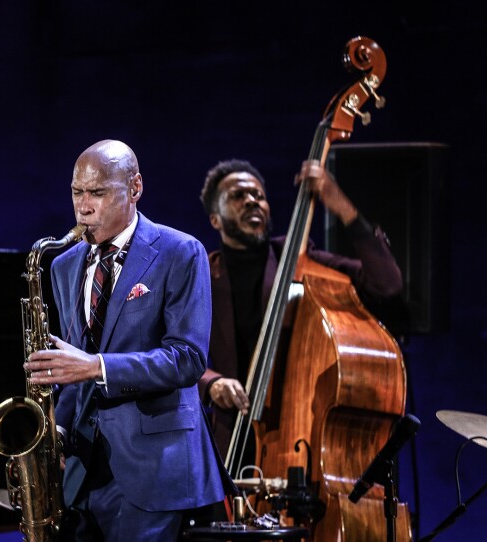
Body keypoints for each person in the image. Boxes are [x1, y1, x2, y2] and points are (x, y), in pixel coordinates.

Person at [25, 140, 235, 541]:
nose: (84, 206)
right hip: (83, 475)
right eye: (76, 193)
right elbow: (74, 361)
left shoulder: (181, 252)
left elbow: (187, 358)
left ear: (135, 188)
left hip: (155, 472)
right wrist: (58, 434)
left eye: (98, 193)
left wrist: (97, 366)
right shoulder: (64, 265)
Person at [197, 158, 403, 463]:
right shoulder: (201, 275)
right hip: (233, 443)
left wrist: (342, 207)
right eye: (239, 196)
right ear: (215, 219)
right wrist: (212, 382)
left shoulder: (298, 260)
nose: (252, 201)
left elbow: (386, 284)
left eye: (259, 195)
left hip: (300, 441)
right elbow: (172, 353)